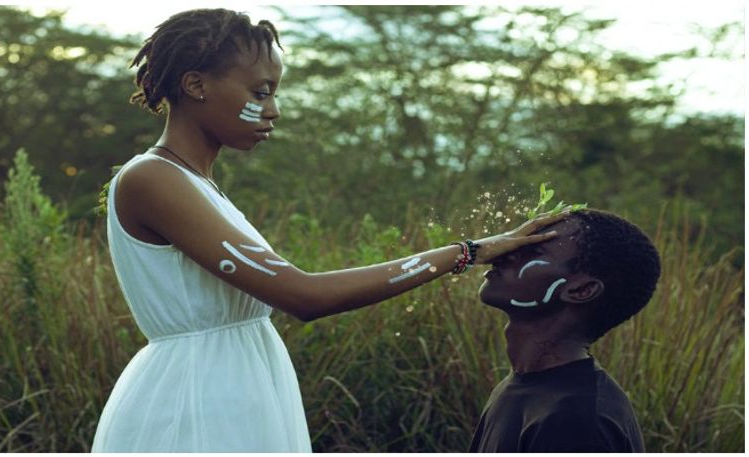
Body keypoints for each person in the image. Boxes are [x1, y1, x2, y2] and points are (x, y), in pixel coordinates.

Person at [91, 8, 568, 453]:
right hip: (195, 400)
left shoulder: (199, 184)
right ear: (196, 85)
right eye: (260, 92)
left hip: (239, 384)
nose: (274, 110)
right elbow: (304, 296)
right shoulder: (152, 179)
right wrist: (465, 252)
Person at [469, 208, 661, 452]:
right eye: (518, 242)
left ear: (581, 290)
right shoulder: (524, 385)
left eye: (534, 251)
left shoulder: (577, 422)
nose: (506, 253)